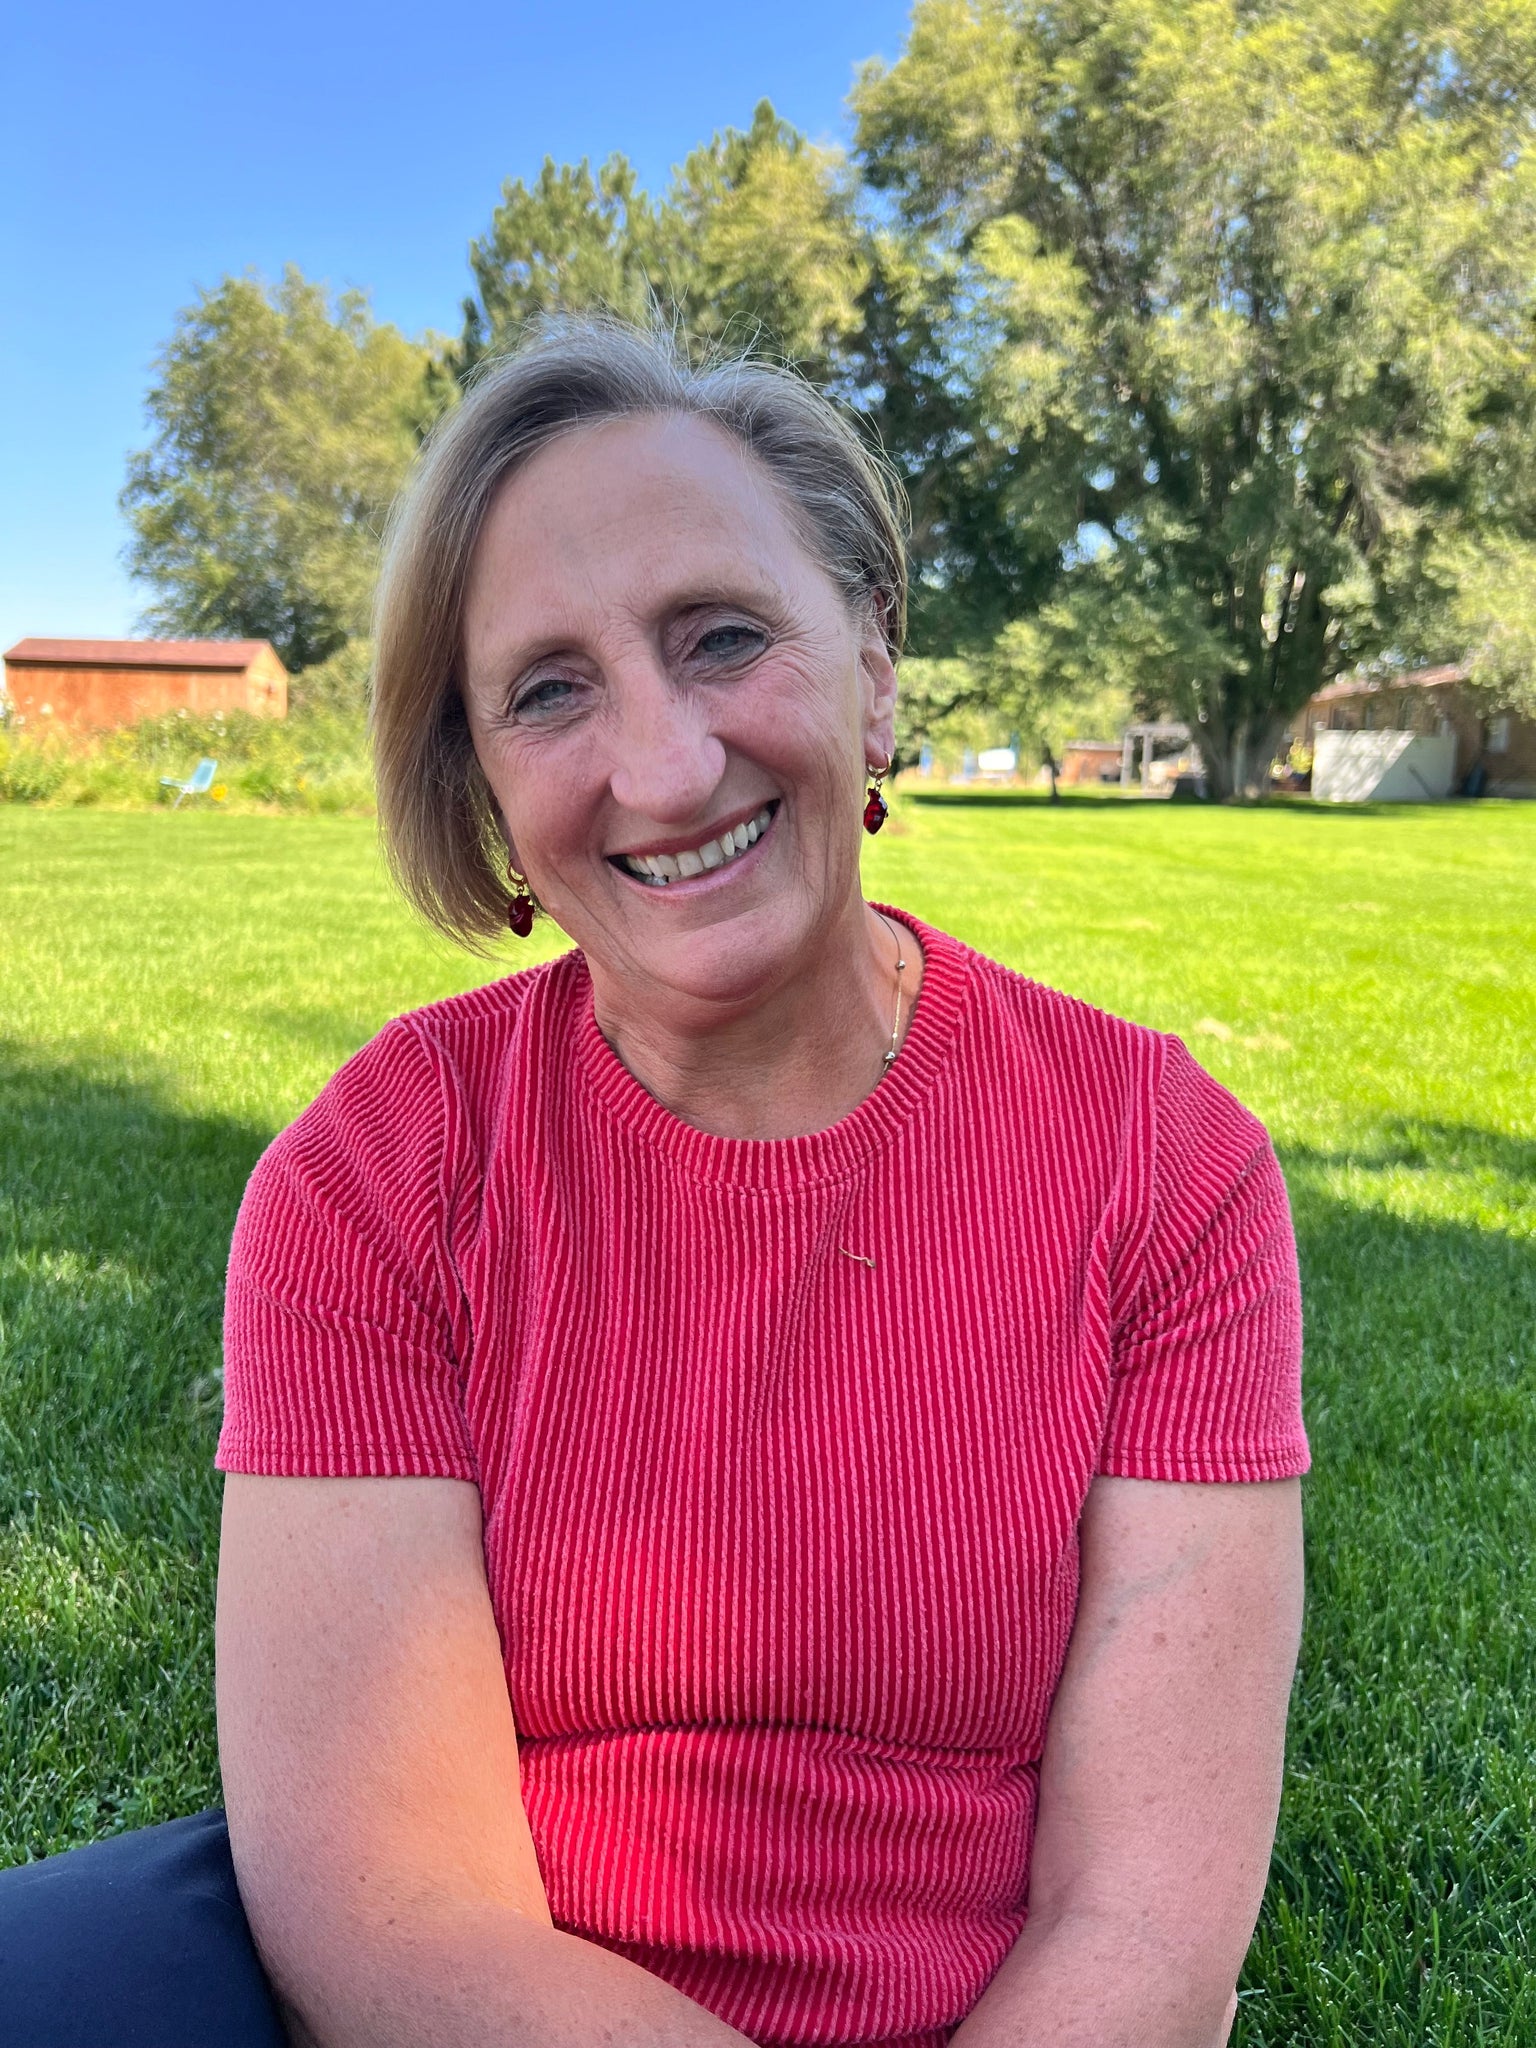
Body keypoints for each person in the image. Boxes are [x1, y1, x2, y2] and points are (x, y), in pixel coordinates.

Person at [0, 321, 1307, 2048]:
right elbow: (397, 1920)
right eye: (550, 691)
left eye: (725, 638)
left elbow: (1139, 1923)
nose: (669, 767)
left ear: (875, 667)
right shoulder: (375, 1177)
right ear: (480, 789)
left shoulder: (1162, 1161)